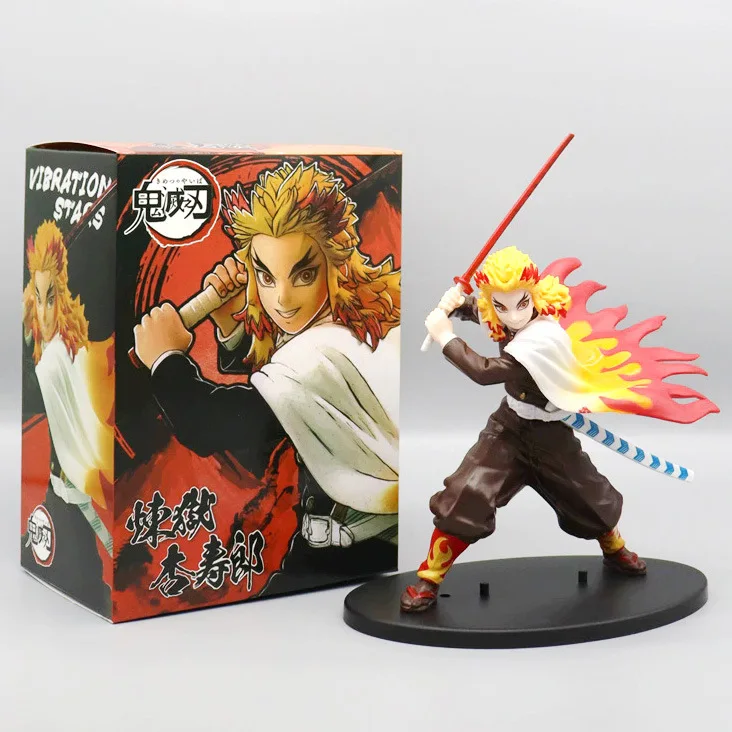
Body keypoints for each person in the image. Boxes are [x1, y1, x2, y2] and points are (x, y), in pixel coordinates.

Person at [401, 245, 717, 612]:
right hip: (509, 428)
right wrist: (462, 305)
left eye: (522, 303)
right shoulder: (506, 316)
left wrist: (445, 336)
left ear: (535, 295)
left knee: (588, 495)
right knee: (467, 492)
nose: (513, 316)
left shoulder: (543, 338)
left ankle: (614, 548)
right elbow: (489, 313)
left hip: (550, 435)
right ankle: (430, 577)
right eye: (501, 306)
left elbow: (484, 372)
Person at [133, 161, 401, 593]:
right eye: (265, 276)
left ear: (335, 266)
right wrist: (230, 321)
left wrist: (165, 358)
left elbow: (210, 423)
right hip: (349, 541)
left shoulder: (318, 354)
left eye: (304, 274)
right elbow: (281, 389)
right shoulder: (346, 328)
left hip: (357, 554)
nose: (282, 299)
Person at [21, 220, 113, 614]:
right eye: (38, 299)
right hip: (60, 489)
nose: (43, 313)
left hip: (83, 485)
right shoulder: (48, 352)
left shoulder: (68, 354)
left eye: (51, 298)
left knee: (89, 569)